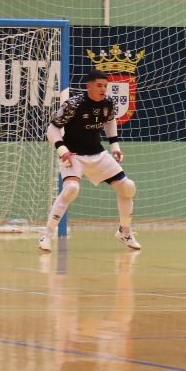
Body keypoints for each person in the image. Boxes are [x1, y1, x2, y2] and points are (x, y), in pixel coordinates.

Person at [40, 68, 141, 252]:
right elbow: (52, 129)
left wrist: (115, 146)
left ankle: (125, 232)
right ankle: (46, 236)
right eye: (99, 86)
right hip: (74, 155)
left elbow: (110, 120)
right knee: (71, 190)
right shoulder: (74, 104)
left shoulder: (108, 103)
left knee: (128, 187)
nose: (103, 89)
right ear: (89, 86)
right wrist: (62, 150)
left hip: (98, 153)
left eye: (105, 86)